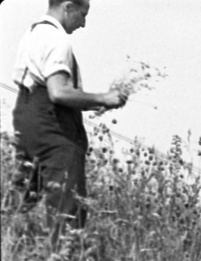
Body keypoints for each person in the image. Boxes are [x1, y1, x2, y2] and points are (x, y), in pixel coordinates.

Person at [11, 0, 126, 239]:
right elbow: (59, 92)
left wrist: (91, 102)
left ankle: (12, 245)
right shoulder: (58, 40)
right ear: (67, 7)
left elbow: (43, 88)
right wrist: (104, 98)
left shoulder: (32, 33)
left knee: (21, 198)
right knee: (67, 204)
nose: (83, 23)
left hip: (27, 118)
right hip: (53, 129)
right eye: (82, 15)